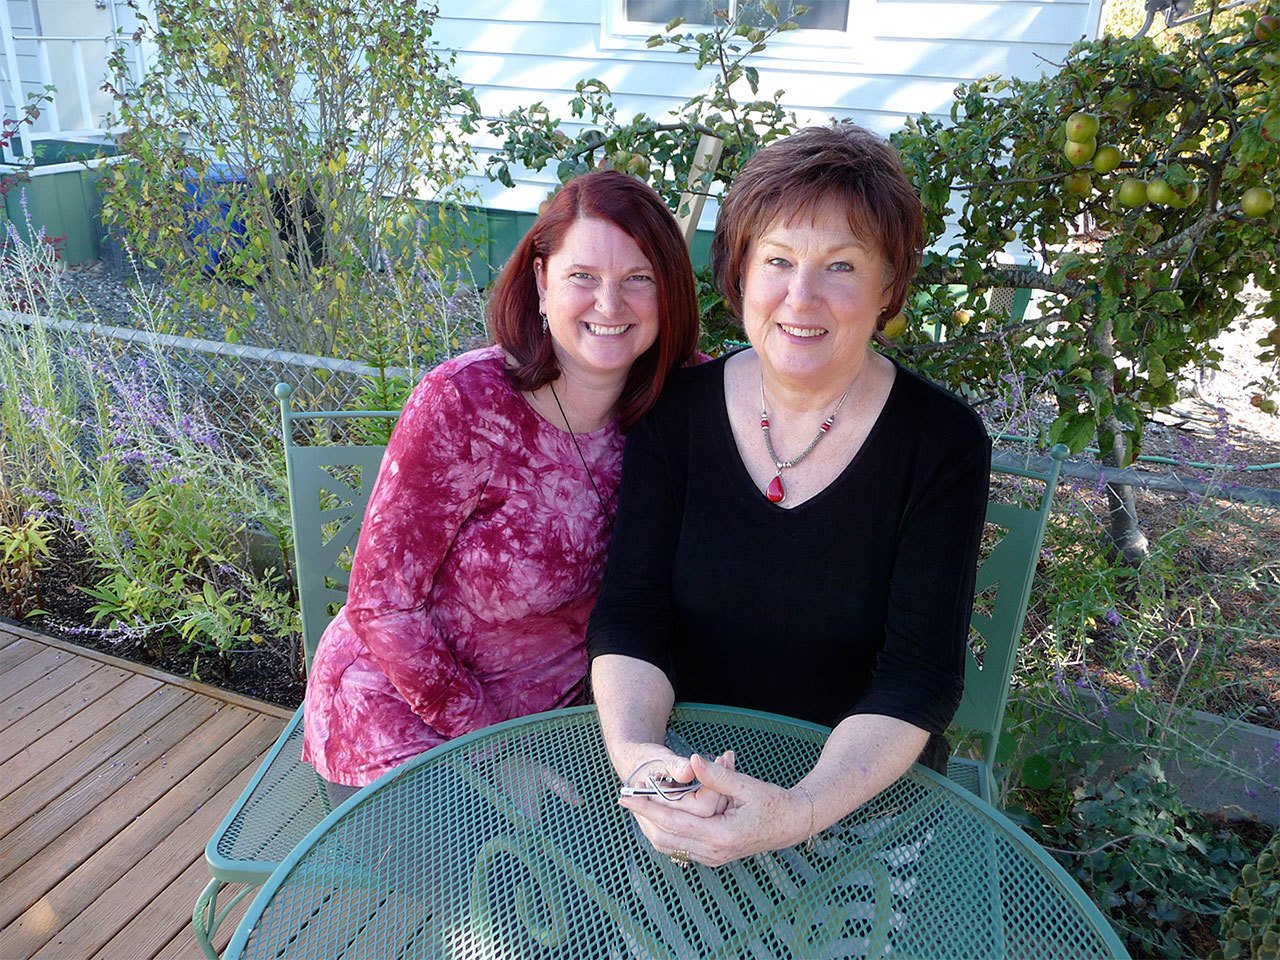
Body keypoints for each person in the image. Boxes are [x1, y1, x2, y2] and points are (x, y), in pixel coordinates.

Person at [586, 125, 991, 868]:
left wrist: (801, 810)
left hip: (855, 807)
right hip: (686, 785)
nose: (801, 298)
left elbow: (920, 676)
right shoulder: (675, 409)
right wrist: (643, 761)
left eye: (840, 265)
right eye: (777, 260)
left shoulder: (942, 443)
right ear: (740, 273)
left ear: (888, 288)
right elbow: (630, 617)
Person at [302, 169, 700, 802]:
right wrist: (494, 756)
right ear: (542, 282)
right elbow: (383, 604)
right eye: (583, 277)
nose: (610, 304)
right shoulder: (465, 403)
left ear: (669, 293)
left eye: (639, 279)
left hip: (572, 727)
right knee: (528, 889)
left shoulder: (683, 403)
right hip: (403, 725)